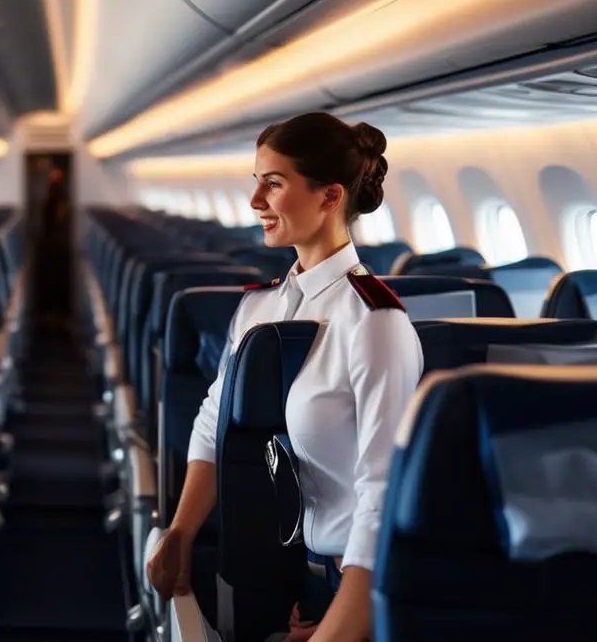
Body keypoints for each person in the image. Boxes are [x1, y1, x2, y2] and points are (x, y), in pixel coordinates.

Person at [145, 112, 424, 641]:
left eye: (273, 184)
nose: (255, 202)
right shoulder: (260, 309)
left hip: (357, 589)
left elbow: (382, 499)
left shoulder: (375, 324)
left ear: (329, 196)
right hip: (291, 574)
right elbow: (213, 423)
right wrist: (181, 530)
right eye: (256, 182)